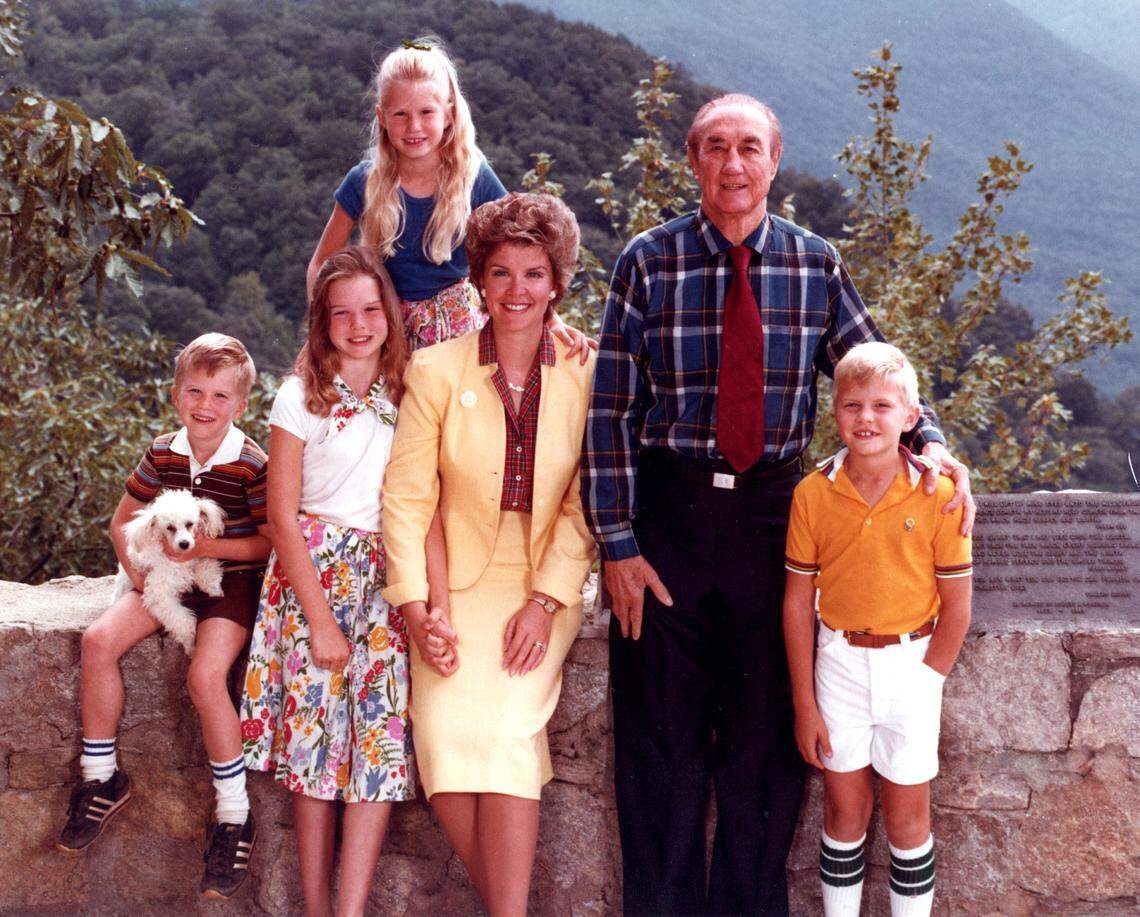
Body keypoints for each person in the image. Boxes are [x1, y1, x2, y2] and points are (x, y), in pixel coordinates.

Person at [581, 93, 975, 914]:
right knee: (661, 744)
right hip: (670, 519)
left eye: (749, 148)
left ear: (774, 160)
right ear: (694, 160)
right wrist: (617, 543)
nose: (734, 164)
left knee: (766, 748)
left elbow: (874, 370)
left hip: (775, 521)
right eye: (716, 147)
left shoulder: (813, 262)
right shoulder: (646, 263)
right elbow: (610, 408)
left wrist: (930, 441)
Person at [381, 192, 596, 916]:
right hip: (452, 577)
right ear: (479, 279)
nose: (517, 291)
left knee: (505, 732)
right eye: (500, 273)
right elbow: (407, 499)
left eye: (534, 273)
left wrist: (544, 604)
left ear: (556, 282)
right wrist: (417, 608)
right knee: (441, 735)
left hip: (539, 579)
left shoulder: (585, 370)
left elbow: (584, 502)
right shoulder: (435, 370)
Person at [57, 333, 270, 900]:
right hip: (166, 575)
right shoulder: (161, 451)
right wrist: (144, 576)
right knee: (99, 640)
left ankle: (233, 815)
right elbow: (121, 521)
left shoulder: (252, 463)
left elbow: (268, 544)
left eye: (220, 396)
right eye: (195, 391)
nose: (206, 405)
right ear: (177, 395)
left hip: (230, 583)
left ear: (241, 405)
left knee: (205, 677)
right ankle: (101, 780)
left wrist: (205, 552)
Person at [240, 247, 416, 917]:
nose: (359, 323)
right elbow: (282, 518)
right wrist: (317, 618)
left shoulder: (409, 389)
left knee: (377, 748)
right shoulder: (299, 395)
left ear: (390, 315)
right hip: (311, 576)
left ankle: (351, 910)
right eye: (342, 312)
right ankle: (315, 906)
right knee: (314, 753)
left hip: (385, 579)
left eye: (371, 309)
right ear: (323, 322)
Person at [783, 342, 972, 917]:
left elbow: (957, 607)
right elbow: (796, 603)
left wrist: (927, 680)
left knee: (910, 819)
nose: (866, 418)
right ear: (834, 412)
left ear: (911, 418)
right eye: (852, 405)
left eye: (883, 406)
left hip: (911, 668)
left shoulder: (939, 495)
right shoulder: (814, 493)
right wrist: (805, 705)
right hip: (837, 666)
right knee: (844, 814)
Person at [308, 36, 590, 357]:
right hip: (386, 333)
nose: (414, 126)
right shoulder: (363, 180)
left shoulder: (473, 177)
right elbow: (321, 262)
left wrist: (552, 321)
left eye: (426, 112)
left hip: (460, 332)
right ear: (382, 117)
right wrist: (318, 331)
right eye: (400, 114)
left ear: (448, 113)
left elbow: (521, 247)